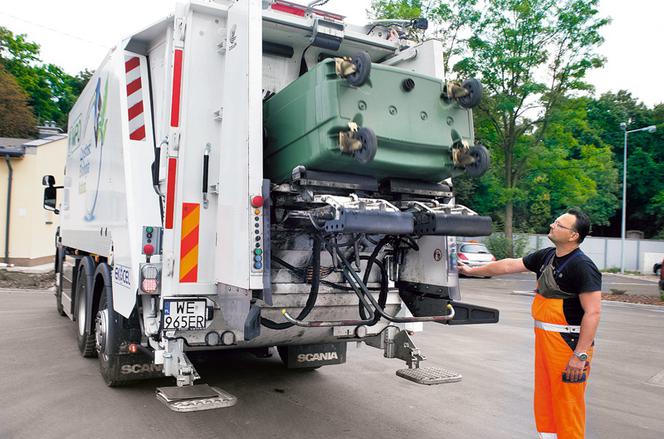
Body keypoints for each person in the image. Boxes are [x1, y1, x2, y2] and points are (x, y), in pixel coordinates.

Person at [458, 208, 601, 439]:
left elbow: (593, 312)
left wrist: (580, 355)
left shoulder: (582, 266)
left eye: (560, 225)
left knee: (567, 405)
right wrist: (472, 271)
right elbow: (506, 265)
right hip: (546, 343)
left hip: (568, 346)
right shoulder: (547, 256)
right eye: (555, 221)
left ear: (573, 236)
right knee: (545, 402)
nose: (553, 225)